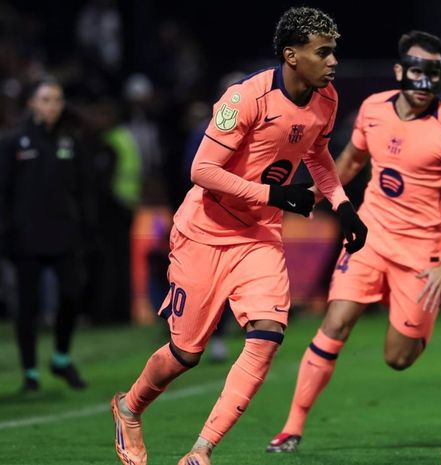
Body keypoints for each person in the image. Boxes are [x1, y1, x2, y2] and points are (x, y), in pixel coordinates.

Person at [110, 7, 367, 465]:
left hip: (259, 236)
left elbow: (318, 154)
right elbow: (202, 170)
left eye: (334, 52)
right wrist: (276, 195)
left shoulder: (326, 99)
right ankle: (130, 407)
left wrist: (343, 205)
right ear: (291, 55)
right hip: (204, 233)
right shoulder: (245, 98)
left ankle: (201, 451)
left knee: (267, 337)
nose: (333, 62)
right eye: (322, 52)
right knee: (185, 353)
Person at [266, 30, 441, 453]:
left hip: (422, 254)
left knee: (397, 359)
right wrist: (316, 194)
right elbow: (352, 159)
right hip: (371, 237)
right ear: (400, 70)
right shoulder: (373, 110)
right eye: (418, 71)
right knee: (335, 323)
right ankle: (291, 428)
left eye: (434, 74)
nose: (424, 83)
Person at [0, 77, 94, 391]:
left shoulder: (71, 141)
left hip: (65, 235)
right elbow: (4, 192)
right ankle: (30, 372)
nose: (52, 106)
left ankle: (61, 359)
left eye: (57, 99)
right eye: (45, 99)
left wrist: (86, 228)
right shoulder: (14, 141)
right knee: (27, 306)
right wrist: (7, 232)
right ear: (31, 103)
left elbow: (84, 190)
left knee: (71, 295)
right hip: (25, 238)